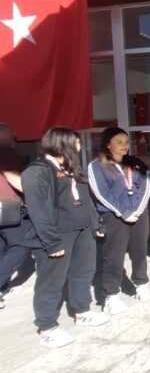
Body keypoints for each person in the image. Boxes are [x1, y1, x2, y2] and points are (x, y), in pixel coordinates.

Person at [22, 128, 109, 348]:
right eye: (77, 142)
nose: (80, 146)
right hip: (57, 235)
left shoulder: (71, 168)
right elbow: (37, 209)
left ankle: (82, 311)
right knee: (52, 281)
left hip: (82, 230)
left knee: (83, 272)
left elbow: (85, 200)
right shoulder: (38, 171)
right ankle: (47, 327)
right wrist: (51, 241)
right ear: (63, 143)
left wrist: (96, 223)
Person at [87, 127, 150, 315]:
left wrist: (137, 211)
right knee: (114, 256)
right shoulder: (97, 166)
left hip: (139, 214)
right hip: (114, 216)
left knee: (140, 251)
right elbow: (101, 193)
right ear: (108, 144)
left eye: (126, 141)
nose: (124, 145)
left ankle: (141, 283)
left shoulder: (135, 163)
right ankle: (111, 295)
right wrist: (123, 213)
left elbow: (146, 187)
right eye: (119, 142)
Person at [0, 123, 34, 310]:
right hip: (9, 208)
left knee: (3, 247)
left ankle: (2, 288)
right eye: (12, 135)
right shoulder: (6, 152)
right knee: (20, 246)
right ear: (3, 135)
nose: (15, 139)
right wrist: (35, 193)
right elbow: (14, 178)